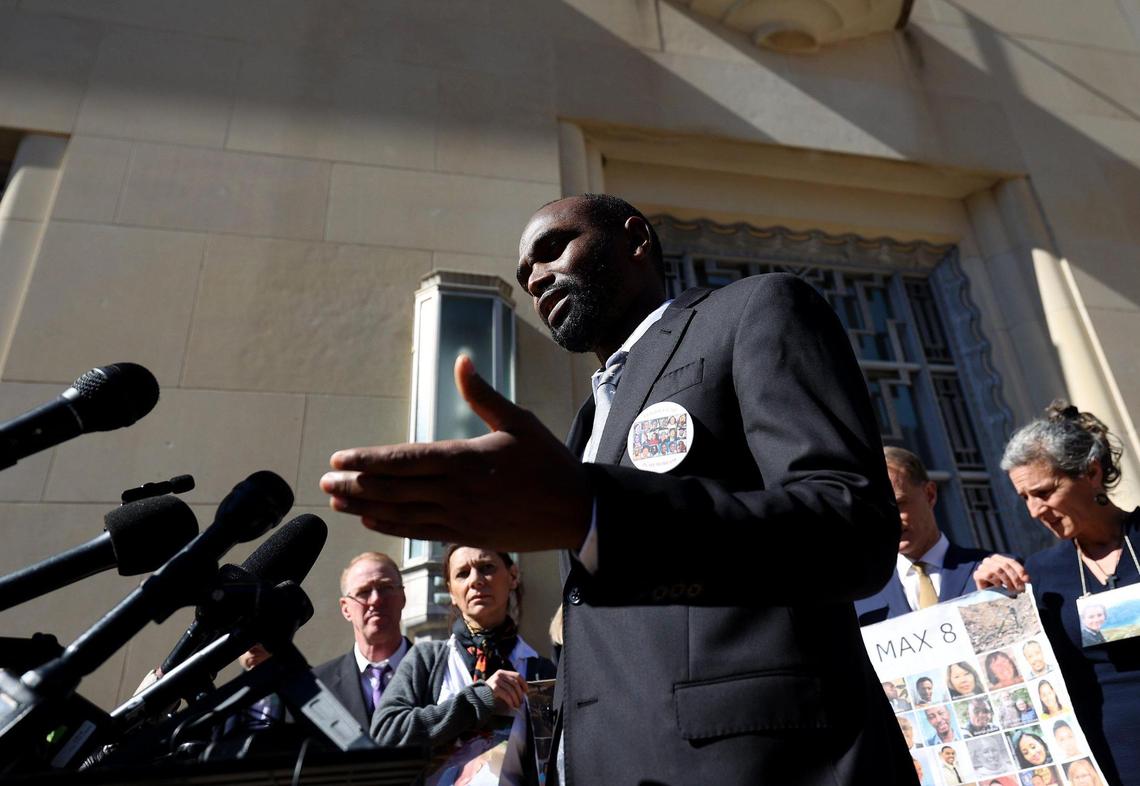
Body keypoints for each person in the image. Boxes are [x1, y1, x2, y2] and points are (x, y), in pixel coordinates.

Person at [320, 194, 910, 784]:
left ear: (635, 239)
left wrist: (596, 514)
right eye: (525, 275)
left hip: (763, 757)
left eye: (554, 249)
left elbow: (850, 525)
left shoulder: (756, 309)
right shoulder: (586, 424)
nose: (537, 278)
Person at [973, 401, 1140, 786]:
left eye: (1044, 492)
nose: (1035, 510)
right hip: (1109, 766)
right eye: (1024, 498)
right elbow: (1008, 679)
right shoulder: (1039, 575)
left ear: (1091, 473)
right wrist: (987, 598)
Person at [373, 546, 555, 784]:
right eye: (462, 573)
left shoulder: (541, 671)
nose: (476, 580)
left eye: (486, 568)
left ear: (513, 576)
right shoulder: (426, 659)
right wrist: (477, 700)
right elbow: (386, 733)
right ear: (451, 591)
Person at [856, 447, 996, 624]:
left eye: (898, 504)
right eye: (875, 511)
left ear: (930, 495)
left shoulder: (994, 573)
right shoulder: (861, 599)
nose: (888, 521)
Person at [312, 551, 412, 729]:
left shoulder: (438, 672)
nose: (376, 600)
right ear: (345, 609)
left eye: (385, 588)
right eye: (364, 592)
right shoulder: (317, 687)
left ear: (402, 597)